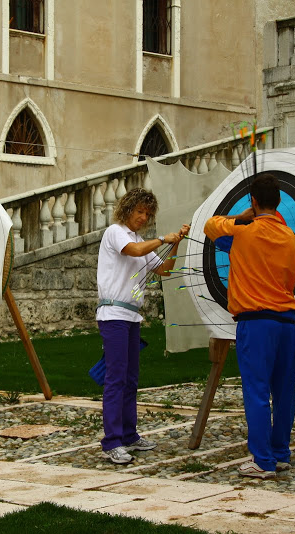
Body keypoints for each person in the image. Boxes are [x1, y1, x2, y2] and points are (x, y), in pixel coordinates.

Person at [203, 173, 295, 479]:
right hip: (287, 323)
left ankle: (262, 461)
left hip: (256, 323)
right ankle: (280, 453)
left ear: (254, 201)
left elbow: (210, 227)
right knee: (284, 391)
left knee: (257, 390)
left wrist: (243, 217)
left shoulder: (242, 233)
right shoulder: (293, 240)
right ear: (279, 202)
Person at [96, 187, 190, 464]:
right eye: (139, 211)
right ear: (128, 210)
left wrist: (176, 243)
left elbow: (165, 269)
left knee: (130, 379)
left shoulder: (140, 239)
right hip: (113, 314)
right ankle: (112, 441)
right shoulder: (115, 232)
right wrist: (163, 238)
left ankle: (129, 434)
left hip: (131, 315)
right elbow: (135, 250)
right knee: (115, 379)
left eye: (147, 213)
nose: (143, 217)